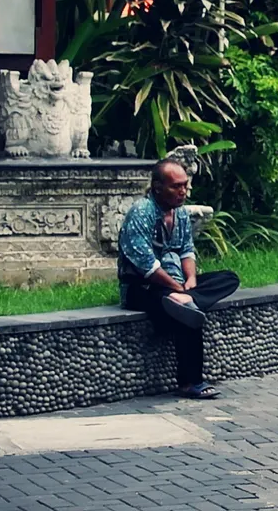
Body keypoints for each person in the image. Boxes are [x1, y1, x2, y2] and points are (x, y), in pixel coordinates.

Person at [118, 159, 240, 399]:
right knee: (186, 312)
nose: (183, 191)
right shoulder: (141, 213)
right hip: (143, 287)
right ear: (157, 187)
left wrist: (190, 280)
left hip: (176, 286)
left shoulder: (181, 213)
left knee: (228, 278)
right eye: (176, 187)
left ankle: (183, 301)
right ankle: (190, 383)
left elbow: (186, 250)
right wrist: (177, 290)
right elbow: (146, 266)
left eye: (185, 185)